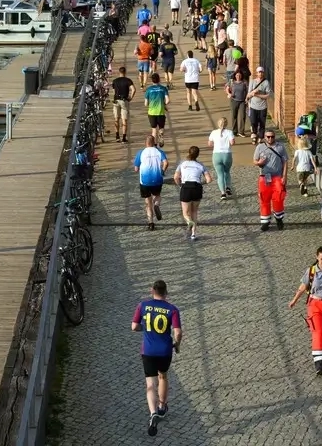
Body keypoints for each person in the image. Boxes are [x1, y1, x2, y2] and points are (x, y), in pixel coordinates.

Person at [132, 279, 182, 437]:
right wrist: (177, 344)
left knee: (149, 384)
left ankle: (153, 413)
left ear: (151, 290)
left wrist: (145, 327)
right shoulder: (172, 309)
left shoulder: (142, 306)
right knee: (163, 376)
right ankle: (162, 406)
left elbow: (134, 327)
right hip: (165, 351)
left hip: (147, 351)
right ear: (166, 293)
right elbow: (178, 332)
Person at [288, 246, 322, 375]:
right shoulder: (311, 271)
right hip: (315, 304)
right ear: (317, 258)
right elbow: (303, 287)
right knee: (317, 330)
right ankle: (319, 362)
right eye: (321, 258)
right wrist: (294, 300)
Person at [253, 130, 289, 231]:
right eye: (268, 137)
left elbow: (285, 161)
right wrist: (259, 162)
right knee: (264, 199)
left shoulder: (280, 147)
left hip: (277, 176)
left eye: (272, 137)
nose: (270, 139)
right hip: (264, 177)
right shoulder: (260, 147)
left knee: (278, 198)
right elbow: (254, 161)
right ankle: (265, 221)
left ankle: (279, 219)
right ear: (265, 137)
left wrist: (285, 176)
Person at [173, 146, 209, 240]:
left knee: (185, 212)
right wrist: (200, 184)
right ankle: (193, 234)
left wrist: (180, 185)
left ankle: (189, 222)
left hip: (186, 187)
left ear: (188, 152)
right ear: (198, 154)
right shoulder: (200, 165)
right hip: (197, 188)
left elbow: (176, 177)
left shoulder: (182, 164)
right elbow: (209, 179)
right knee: (194, 212)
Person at [133, 135, 168, 231]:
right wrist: (163, 171)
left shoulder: (141, 152)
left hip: (145, 181)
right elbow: (166, 163)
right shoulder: (159, 151)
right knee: (157, 195)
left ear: (146, 143)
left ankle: (151, 223)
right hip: (157, 179)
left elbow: (136, 169)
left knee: (148, 203)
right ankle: (156, 204)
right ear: (154, 142)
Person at [208, 117, 235, 201]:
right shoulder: (229, 132)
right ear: (226, 124)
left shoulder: (213, 132)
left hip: (216, 155)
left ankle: (223, 193)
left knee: (220, 175)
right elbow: (232, 143)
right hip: (226, 154)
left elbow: (209, 144)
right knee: (227, 172)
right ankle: (228, 187)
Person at [245, 67, 271, 143]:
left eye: (261, 72)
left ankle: (261, 136)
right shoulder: (252, 81)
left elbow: (267, 96)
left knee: (262, 123)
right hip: (253, 106)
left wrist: (257, 94)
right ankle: (254, 134)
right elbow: (249, 93)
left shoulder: (266, 82)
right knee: (253, 121)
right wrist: (253, 92)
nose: (260, 73)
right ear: (256, 73)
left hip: (262, 106)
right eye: (259, 72)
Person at [144, 73, 170, 147]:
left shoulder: (149, 89)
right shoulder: (163, 88)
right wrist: (164, 104)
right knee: (161, 128)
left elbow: (145, 103)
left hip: (151, 112)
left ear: (152, 80)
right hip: (161, 112)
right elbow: (168, 100)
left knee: (154, 129)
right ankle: (161, 137)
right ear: (159, 79)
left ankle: (154, 145)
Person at [111, 66, 136, 143]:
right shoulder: (128, 80)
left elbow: (114, 92)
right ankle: (124, 138)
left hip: (116, 101)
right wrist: (130, 97)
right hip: (124, 100)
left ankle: (117, 136)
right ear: (125, 72)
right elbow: (134, 89)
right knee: (124, 120)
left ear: (119, 72)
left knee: (116, 119)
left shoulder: (115, 81)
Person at [225, 69, 247, 136]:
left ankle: (241, 131)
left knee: (242, 116)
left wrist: (247, 99)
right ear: (235, 76)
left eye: (240, 75)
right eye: (237, 75)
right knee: (234, 116)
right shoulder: (232, 82)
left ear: (241, 76)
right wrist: (229, 93)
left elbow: (247, 91)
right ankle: (234, 131)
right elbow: (227, 88)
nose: (238, 76)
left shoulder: (244, 82)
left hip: (242, 101)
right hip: (234, 100)